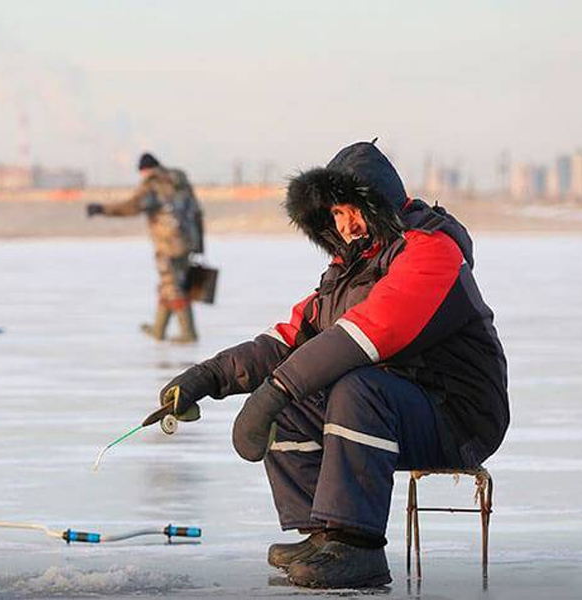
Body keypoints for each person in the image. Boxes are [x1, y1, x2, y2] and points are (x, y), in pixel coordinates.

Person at [157, 140, 509, 588]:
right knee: (305, 399)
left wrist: (274, 391)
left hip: (459, 417)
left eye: (351, 211)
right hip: (398, 407)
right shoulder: (349, 273)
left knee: (354, 387)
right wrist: (207, 377)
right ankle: (325, 534)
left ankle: (357, 547)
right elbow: (290, 340)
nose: (345, 226)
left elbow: (368, 333)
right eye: (336, 216)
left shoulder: (429, 252)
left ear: (377, 203)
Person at [86, 153, 204, 343]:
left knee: (173, 287)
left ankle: (188, 333)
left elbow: (132, 206)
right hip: (188, 241)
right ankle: (158, 329)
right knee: (170, 284)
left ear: (144, 170)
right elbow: (197, 212)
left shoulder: (153, 184)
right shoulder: (180, 182)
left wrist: (102, 209)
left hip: (168, 243)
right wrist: (199, 244)